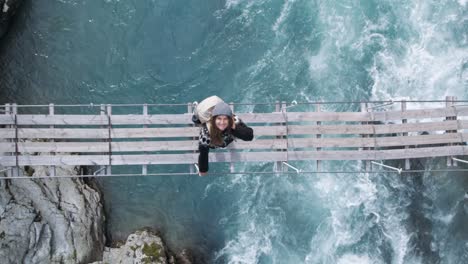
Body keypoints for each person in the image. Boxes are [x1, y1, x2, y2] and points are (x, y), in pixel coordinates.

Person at [196, 101, 254, 176]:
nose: (222, 122)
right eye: (219, 118)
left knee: (231, 139)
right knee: (209, 145)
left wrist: (234, 127)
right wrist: (203, 170)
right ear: (214, 120)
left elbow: (250, 136)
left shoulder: (235, 120)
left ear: (230, 119)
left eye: (225, 119)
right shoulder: (206, 132)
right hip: (214, 141)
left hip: (228, 138)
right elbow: (203, 152)